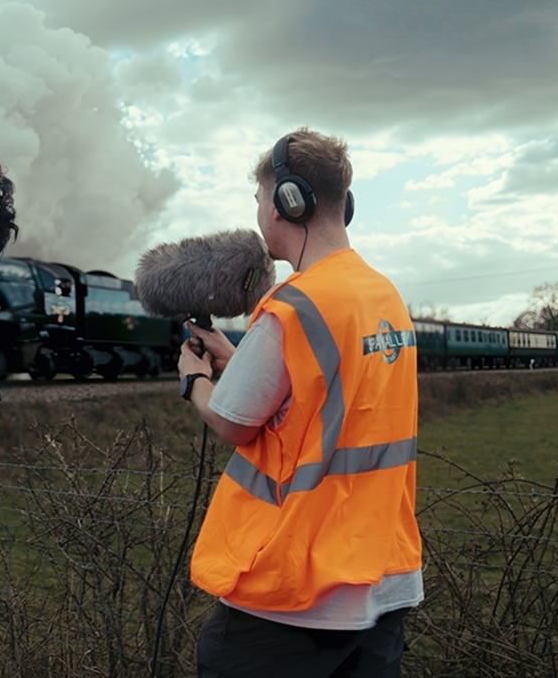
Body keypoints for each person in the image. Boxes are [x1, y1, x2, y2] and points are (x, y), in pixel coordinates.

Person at [176, 128, 423, 678]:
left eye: (262, 199)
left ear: (290, 202)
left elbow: (233, 421)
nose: (262, 213)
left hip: (295, 589)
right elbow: (321, 392)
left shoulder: (293, 306)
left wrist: (195, 376)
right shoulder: (383, 295)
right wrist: (237, 354)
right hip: (381, 576)